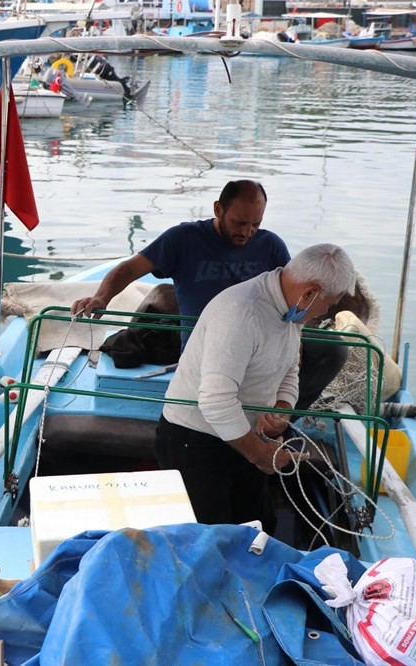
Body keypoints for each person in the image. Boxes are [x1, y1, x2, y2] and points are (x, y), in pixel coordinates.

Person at [71, 179, 344, 412]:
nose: (247, 232)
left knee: (332, 349)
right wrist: (101, 298)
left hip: (261, 346)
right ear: (218, 209)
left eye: (255, 224)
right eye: (239, 223)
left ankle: (283, 419)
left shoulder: (270, 245)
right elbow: (131, 268)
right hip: (207, 349)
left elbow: (292, 295)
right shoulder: (184, 239)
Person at [154, 243, 356, 527]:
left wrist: (281, 410)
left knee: (258, 528)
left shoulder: (292, 309)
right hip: (196, 440)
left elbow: (289, 370)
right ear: (310, 293)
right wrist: (261, 455)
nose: (325, 312)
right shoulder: (241, 313)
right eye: (330, 303)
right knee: (212, 538)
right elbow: (215, 401)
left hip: (241, 436)